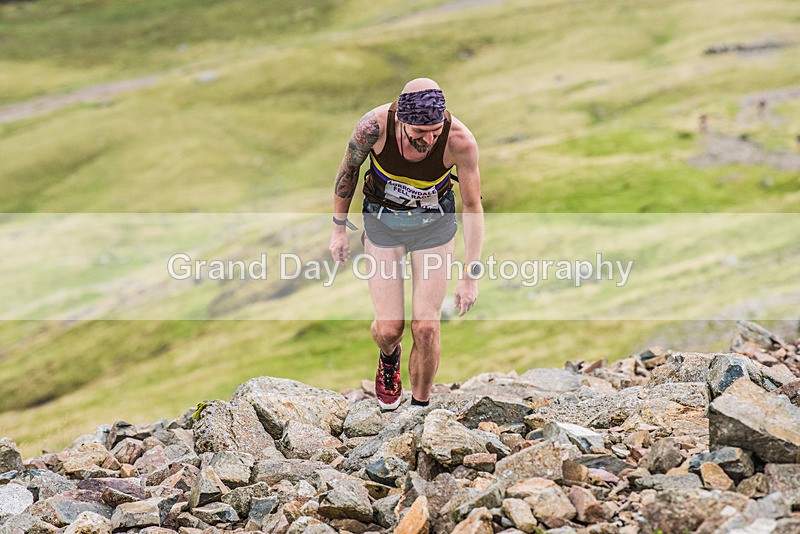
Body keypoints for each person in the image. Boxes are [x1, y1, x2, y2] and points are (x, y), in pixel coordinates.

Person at [329, 78, 484, 410]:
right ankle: (389, 358)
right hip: (383, 223)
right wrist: (338, 229)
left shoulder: (460, 141)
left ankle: (419, 408)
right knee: (389, 329)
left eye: (434, 130)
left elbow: (472, 206)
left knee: (426, 327)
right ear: (400, 119)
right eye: (419, 133)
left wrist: (470, 276)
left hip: (434, 227)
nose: (428, 139)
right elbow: (348, 171)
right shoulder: (373, 127)